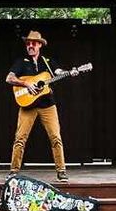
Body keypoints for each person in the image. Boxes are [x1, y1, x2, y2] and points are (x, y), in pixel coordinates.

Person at [5, 30, 79, 183]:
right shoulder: (21, 62)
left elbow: (59, 72)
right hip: (27, 106)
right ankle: (13, 171)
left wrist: (70, 72)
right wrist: (25, 83)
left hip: (47, 105)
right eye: (28, 43)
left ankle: (61, 171)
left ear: (39, 45)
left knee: (56, 137)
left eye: (33, 43)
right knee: (20, 138)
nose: (30, 46)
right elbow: (9, 78)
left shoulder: (47, 62)